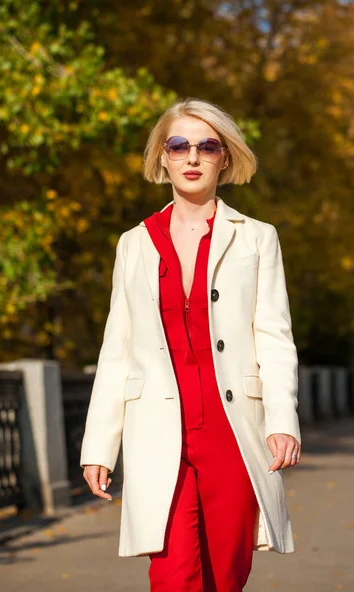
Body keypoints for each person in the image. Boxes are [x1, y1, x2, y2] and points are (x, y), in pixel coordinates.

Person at [80, 98, 301, 592]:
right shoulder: (134, 243)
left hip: (232, 430)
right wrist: (99, 444)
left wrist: (283, 421)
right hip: (157, 432)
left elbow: (274, 337)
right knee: (173, 577)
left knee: (226, 575)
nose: (192, 156)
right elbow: (117, 349)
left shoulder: (257, 238)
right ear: (162, 156)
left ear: (226, 157)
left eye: (207, 145)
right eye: (179, 145)